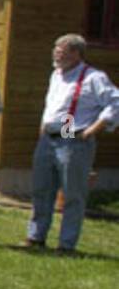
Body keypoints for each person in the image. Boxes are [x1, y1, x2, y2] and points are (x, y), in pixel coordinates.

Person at [25, 33, 119, 253]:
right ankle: (35, 237)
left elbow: (115, 102)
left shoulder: (93, 77)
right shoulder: (56, 75)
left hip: (72, 136)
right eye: (56, 49)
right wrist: (43, 128)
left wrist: (93, 129)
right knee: (41, 190)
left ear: (76, 53)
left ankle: (66, 245)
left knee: (72, 194)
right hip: (48, 138)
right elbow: (53, 106)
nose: (57, 54)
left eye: (62, 50)